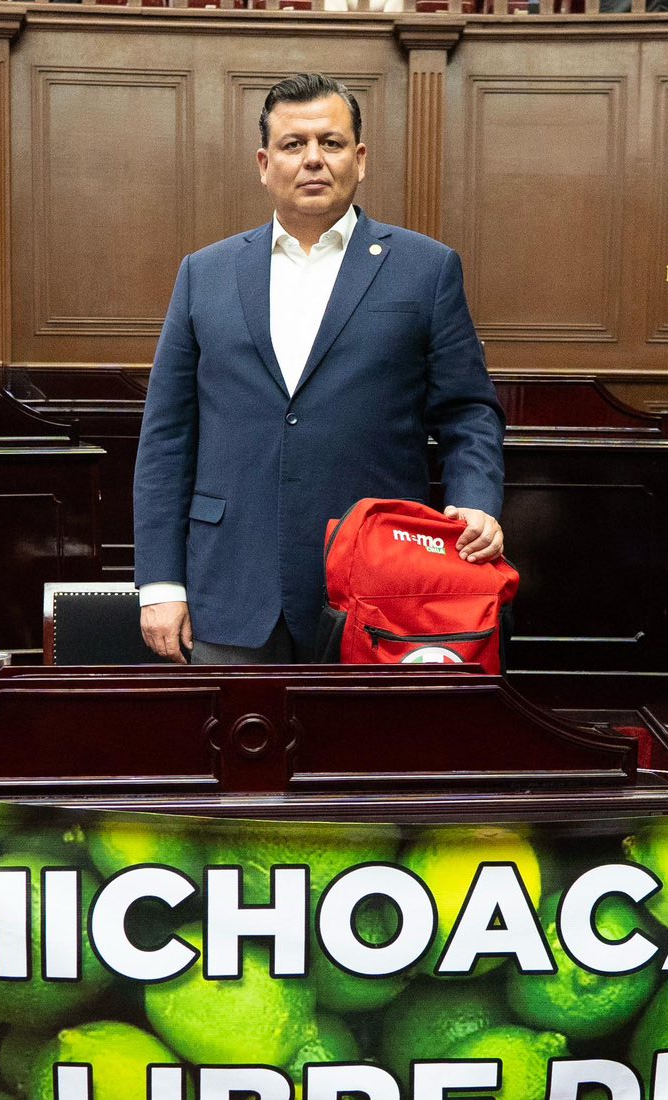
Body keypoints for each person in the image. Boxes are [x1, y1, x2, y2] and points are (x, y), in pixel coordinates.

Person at [134, 72, 506, 664]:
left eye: (331, 143)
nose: (313, 159)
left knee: (364, 731)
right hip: (230, 585)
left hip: (379, 587)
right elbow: (166, 436)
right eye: (293, 144)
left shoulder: (426, 269)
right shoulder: (205, 274)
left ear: (360, 159)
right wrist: (159, 582)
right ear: (264, 164)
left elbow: (468, 412)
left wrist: (475, 501)